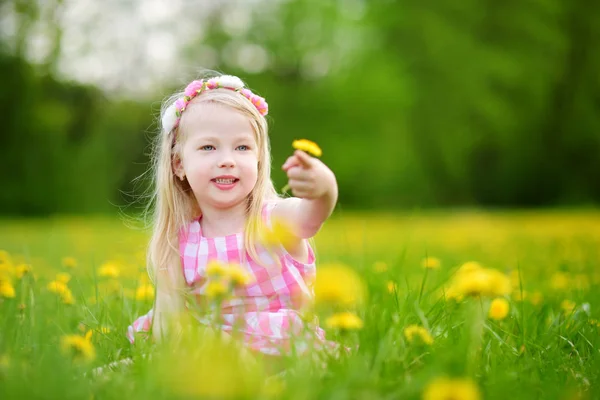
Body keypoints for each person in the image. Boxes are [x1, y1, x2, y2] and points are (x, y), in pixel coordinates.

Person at [126, 74, 339, 357]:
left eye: (242, 147)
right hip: (214, 355)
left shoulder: (274, 220)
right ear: (179, 164)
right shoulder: (179, 242)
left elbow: (312, 215)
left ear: (258, 157)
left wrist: (324, 189)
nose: (227, 159)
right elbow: (169, 321)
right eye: (208, 147)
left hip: (284, 352)